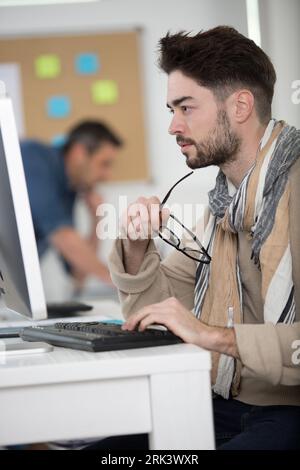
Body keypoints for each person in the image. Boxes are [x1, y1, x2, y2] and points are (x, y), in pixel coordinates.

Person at [106, 26, 300, 450]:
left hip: (289, 410)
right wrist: (137, 244)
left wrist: (213, 336)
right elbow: (159, 314)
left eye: (186, 107)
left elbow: (197, 330)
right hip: (226, 403)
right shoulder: (223, 205)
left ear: (241, 106)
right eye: (171, 109)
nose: (173, 126)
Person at [20, 120, 122, 288]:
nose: (107, 175)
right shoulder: (34, 157)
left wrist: (96, 219)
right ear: (79, 152)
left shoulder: (69, 191)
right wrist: (124, 285)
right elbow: (62, 236)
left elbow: (78, 274)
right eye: (104, 164)